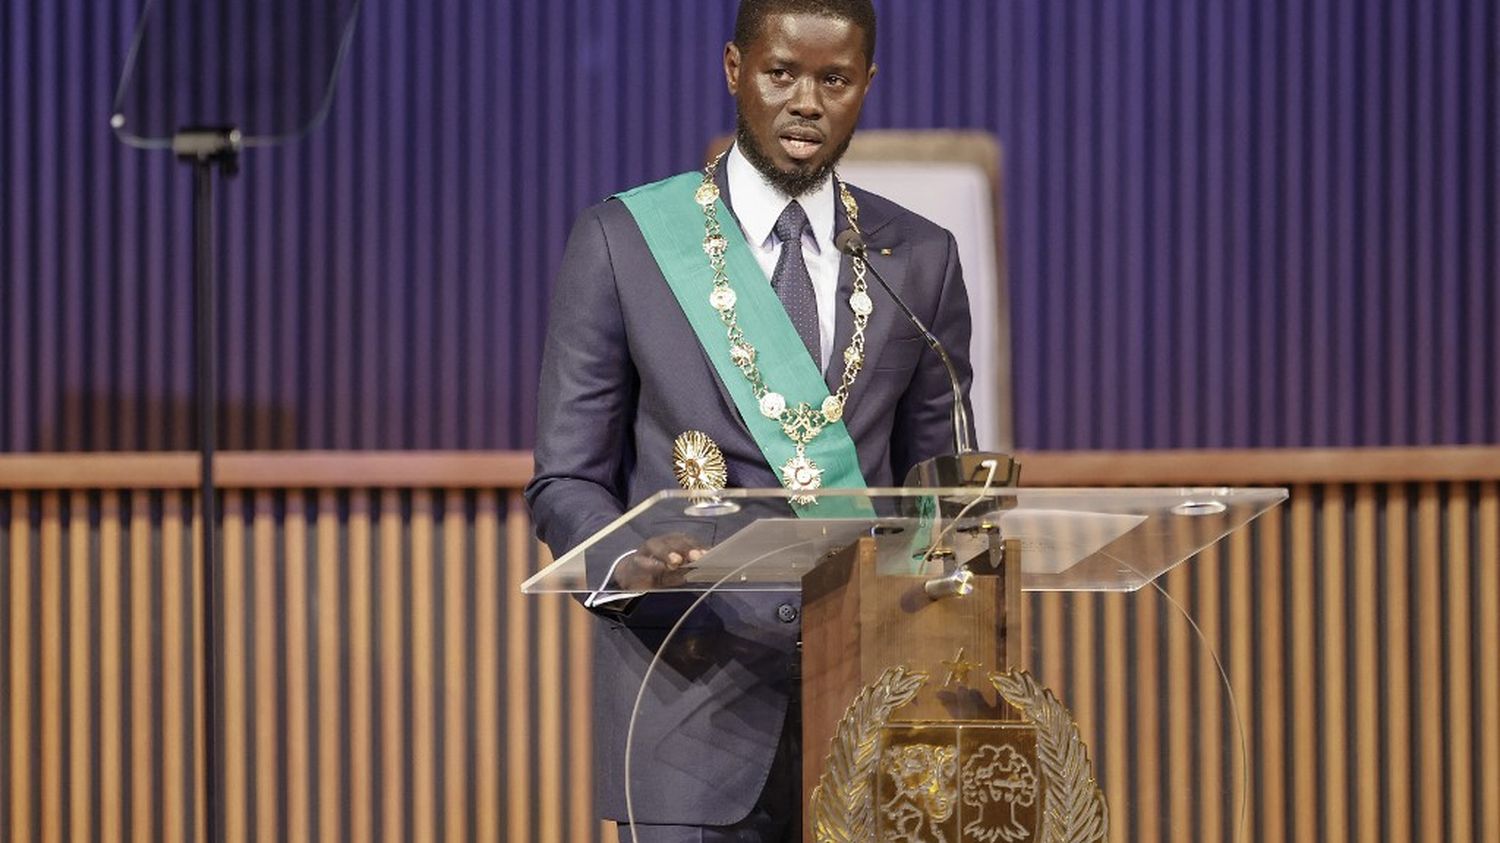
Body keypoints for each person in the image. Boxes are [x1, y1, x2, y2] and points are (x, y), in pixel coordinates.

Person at [523, 0, 975, 839]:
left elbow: (937, 488)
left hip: (870, 711)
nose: (807, 100)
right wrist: (629, 559)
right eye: (782, 74)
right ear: (736, 70)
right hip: (685, 704)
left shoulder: (922, 258)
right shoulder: (625, 242)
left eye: (833, 79)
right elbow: (566, 478)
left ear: (866, 86)